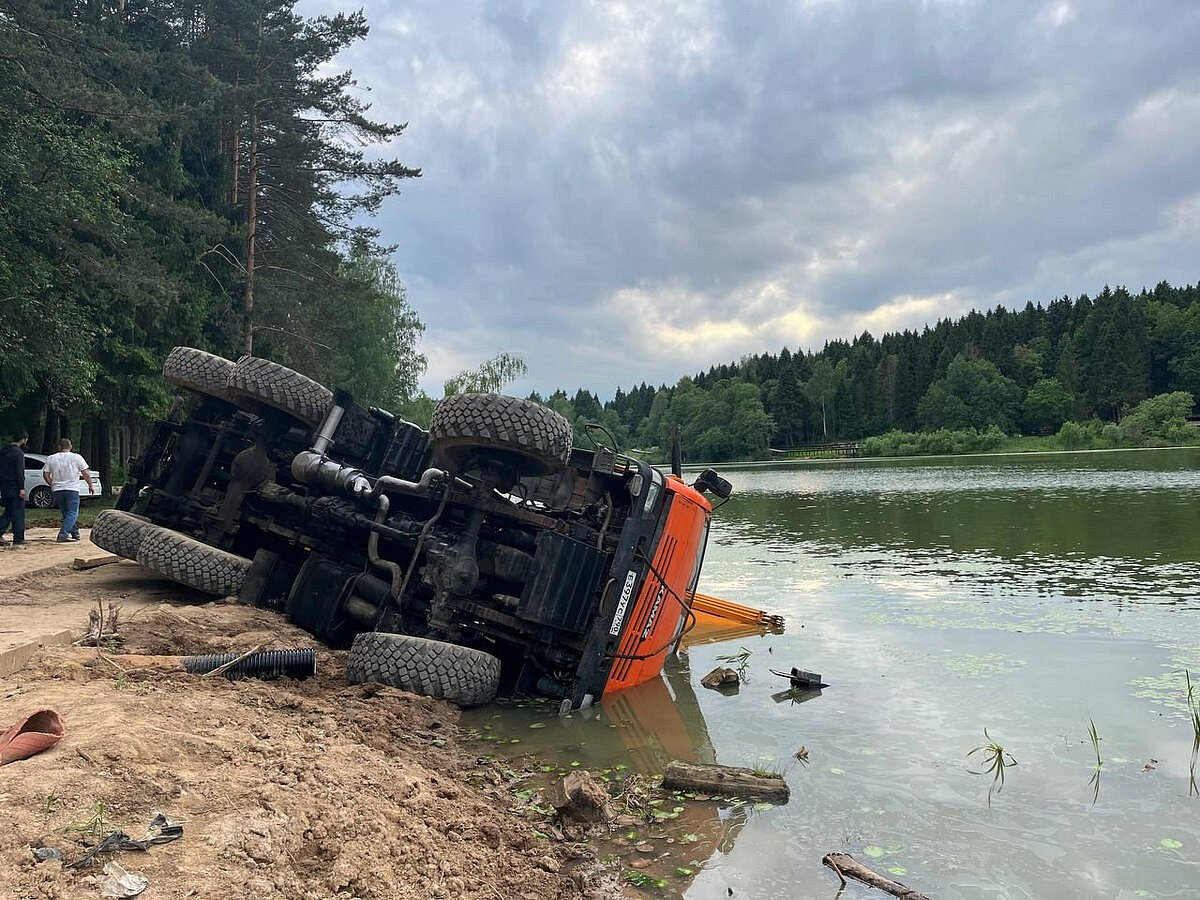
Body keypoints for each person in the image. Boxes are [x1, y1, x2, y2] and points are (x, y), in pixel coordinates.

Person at [42, 438, 94, 543]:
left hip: (57, 489)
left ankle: (75, 532)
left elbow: (45, 474)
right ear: (70, 447)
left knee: (66, 512)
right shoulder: (76, 457)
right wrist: (90, 485)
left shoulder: (51, 458)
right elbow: (85, 472)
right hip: (71, 488)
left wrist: (52, 484)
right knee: (72, 512)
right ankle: (63, 534)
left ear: (59, 447)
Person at [0, 431, 28, 547]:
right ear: (23, 439)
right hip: (15, 486)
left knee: (10, 510)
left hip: (4, 485)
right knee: (18, 512)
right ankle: (18, 537)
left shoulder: (2, 452)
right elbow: (19, 472)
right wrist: (21, 487)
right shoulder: (18, 453)